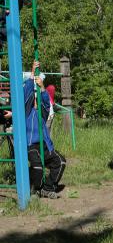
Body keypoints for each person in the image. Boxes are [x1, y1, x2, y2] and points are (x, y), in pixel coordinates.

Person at [25, 61, 66, 198]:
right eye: (34, 98)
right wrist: (32, 74)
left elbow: (46, 103)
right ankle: (35, 189)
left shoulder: (41, 111)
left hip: (45, 145)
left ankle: (47, 188)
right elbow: (26, 94)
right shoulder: (27, 111)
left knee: (60, 161)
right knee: (37, 167)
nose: (36, 101)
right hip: (32, 145)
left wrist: (42, 88)